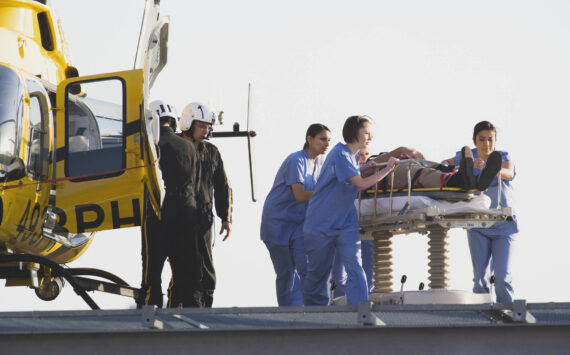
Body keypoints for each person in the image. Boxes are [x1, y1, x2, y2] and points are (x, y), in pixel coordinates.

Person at [302, 115, 398, 306]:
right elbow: (361, 184)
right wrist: (387, 169)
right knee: (318, 274)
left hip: (345, 221)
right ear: (354, 133)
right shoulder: (340, 154)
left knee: (354, 266)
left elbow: (353, 174)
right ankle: (313, 313)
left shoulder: (351, 157)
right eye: (366, 133)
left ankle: (360, 308)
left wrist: (365, 167)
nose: (370, 137)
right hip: (322, 222)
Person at [139, 99, 203, 308]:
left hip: (159, 212)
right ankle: (192, 310)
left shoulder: (152, 147)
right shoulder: (188, 146)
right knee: (187, 267)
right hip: (187, 210)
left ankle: (152, 308)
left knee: (153, 268)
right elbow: (195, 181)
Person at [168, 102, 233, 308]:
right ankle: (175, 312)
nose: (206, 131)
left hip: (203, 220)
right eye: (202, 126)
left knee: (206, 275)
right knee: (182, 272)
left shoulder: (212, 152)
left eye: (208, 126)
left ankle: (204, 316)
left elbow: (223, 186)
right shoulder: (171, 147)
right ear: (189, 123)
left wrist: (226, 218)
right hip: (177, 218)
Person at [447, 121, 517, 304]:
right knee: (480, 279)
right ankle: (483, 319)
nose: (486, 144)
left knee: (502, 279)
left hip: (503, 225)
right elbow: (445, 165)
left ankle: (508, 317)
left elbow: (509, 173)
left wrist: (492, 170)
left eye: (490, 140)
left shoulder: (501, 156)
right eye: (482, 139)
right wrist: (458, 169)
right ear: (474, 141)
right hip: (477, 224)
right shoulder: (468, 156)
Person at [260, 123, 331, 306]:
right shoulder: (296, 160)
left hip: (299, 224)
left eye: (329, 140)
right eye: (322, 139)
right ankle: (287, 317)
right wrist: (328, 193)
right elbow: (300, 196)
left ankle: (316, 312)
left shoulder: (320, 163)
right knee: (286, 274)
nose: (326, 144)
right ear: (309, 139)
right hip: (277, 223)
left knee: (307, 267)